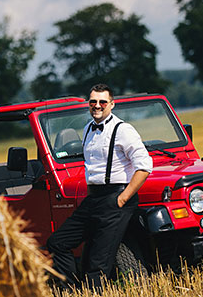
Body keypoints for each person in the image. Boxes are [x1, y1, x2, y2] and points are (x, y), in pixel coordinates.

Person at [46, 83, 153, 290]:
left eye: (102, 101)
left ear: (112, 104)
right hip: (94, 198)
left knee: (98, 264)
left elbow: (145, 166)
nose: (97, 105)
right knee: (57, 242)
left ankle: (92, 292)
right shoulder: (87, 129)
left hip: (116, 198)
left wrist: (122, 198)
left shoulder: (123, 130)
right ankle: (71, 290)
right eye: (93, 101)